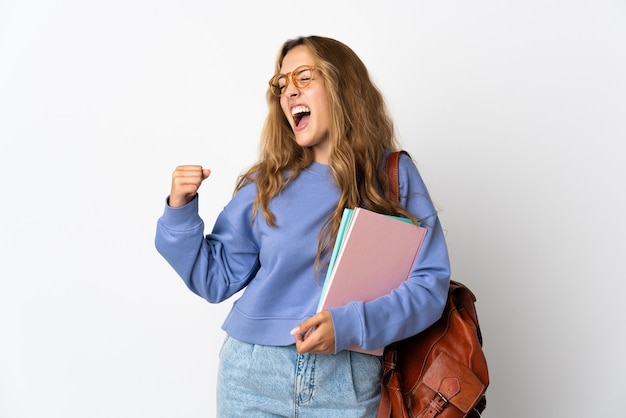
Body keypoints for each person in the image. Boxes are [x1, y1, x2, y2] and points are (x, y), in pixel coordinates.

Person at [155, 35, 450, 417]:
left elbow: (429, 287)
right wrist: (181, 210)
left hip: (346, 378)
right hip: (252, 376)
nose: (289, 91)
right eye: (281, 85)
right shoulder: (267, 181)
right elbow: (215, 279)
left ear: (342, 85)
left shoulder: (391, 176)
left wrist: (350, 324)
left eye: (304, 77)